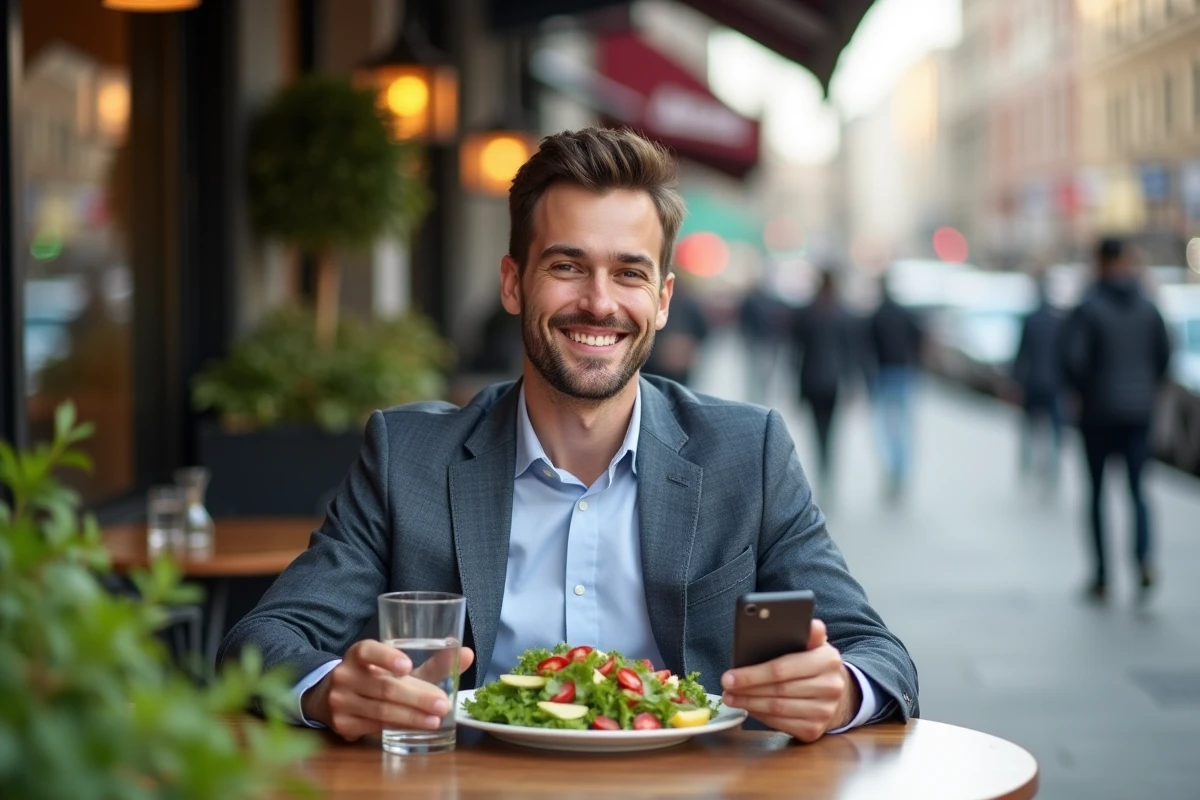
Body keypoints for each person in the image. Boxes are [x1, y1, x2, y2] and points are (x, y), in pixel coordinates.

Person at [220, 127, 918, 745]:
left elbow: (879, 656)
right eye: (567, 266)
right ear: (513, 283)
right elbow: (260, 641)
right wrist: (327, 689)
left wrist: (841, 690)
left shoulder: (748, 452)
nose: (599, 301)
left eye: (629, 273)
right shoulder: (408, 458)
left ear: (664, 300)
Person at [1060, 237, 1171, 602]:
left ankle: (1102, 577)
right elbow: (1164, 356)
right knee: (1138, 492)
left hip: (1098, 415)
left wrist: (1085, 390)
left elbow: (1074, 361)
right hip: (1139, 412)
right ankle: (1142, 561)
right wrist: (1145, 390)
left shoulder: (1088, 307)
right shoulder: (1148, 305)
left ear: (1098, 262)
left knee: (1096, 495)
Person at [791, 269, 854, 488]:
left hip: (811, 380)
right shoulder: (842, 313)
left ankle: (822, 467)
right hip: (833, 381)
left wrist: (797, 391)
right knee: (830, 429)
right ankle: (827, 469)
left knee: (817, 429)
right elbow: (849, 354)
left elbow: (797, 354)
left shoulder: (808, 313)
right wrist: (852, 385)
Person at [866, 272, 923, 501]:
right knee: (904, 428)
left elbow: (866, 348)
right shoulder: (905, 313)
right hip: (904, 373)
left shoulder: (876, 315)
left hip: (883, 374)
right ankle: (901, 469)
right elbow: (919, 340)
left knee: (885, 428)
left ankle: (891, 468)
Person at [1010, 278, 1065, 485]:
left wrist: (1015, 381)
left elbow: (1021, 352)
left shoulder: (1030, 320)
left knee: (1029, 427)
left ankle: (1027, 464)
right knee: (1054, 428)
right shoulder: (1059, 320)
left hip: (1032, 381)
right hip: (1054, 383)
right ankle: (1052, 467)